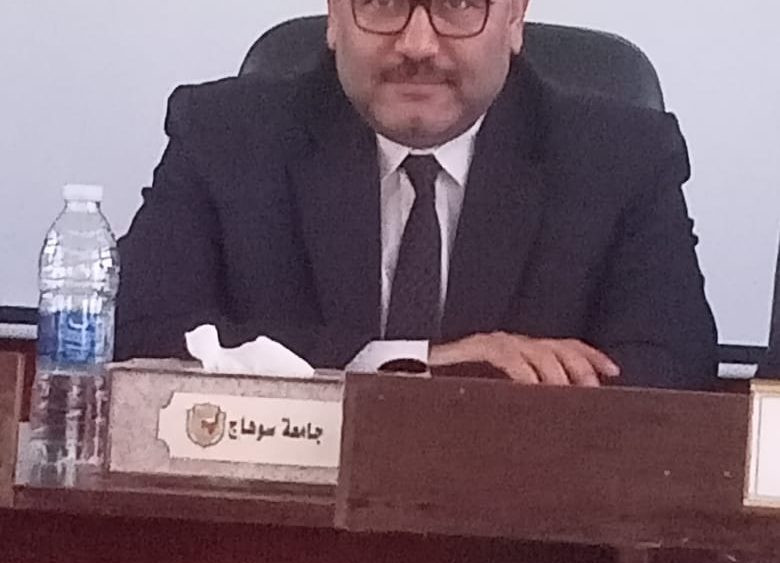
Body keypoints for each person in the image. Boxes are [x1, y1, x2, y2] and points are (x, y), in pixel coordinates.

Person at [116, 0, 718, 389]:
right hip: (280, 522)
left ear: (514, 19)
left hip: (521, 530)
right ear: (334, 16)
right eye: (383, 3)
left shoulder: (622, 159)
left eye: (458, 5)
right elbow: (136, 332)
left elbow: (676, 373)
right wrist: (419, 361)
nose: (418, 45)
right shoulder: (223, 138)